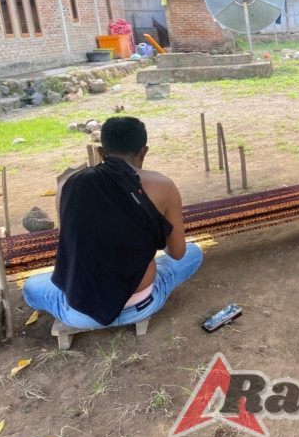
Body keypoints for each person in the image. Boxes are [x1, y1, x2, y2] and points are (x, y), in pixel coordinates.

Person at [23, 117, 203, 329]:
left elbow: (72, 239)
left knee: (31, 287)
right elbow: (177, 253)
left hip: (80, 313)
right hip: (142, 304)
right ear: (144, 152)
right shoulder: (163, 186)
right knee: (193, 253)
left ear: (101, 152)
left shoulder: (67, 184)